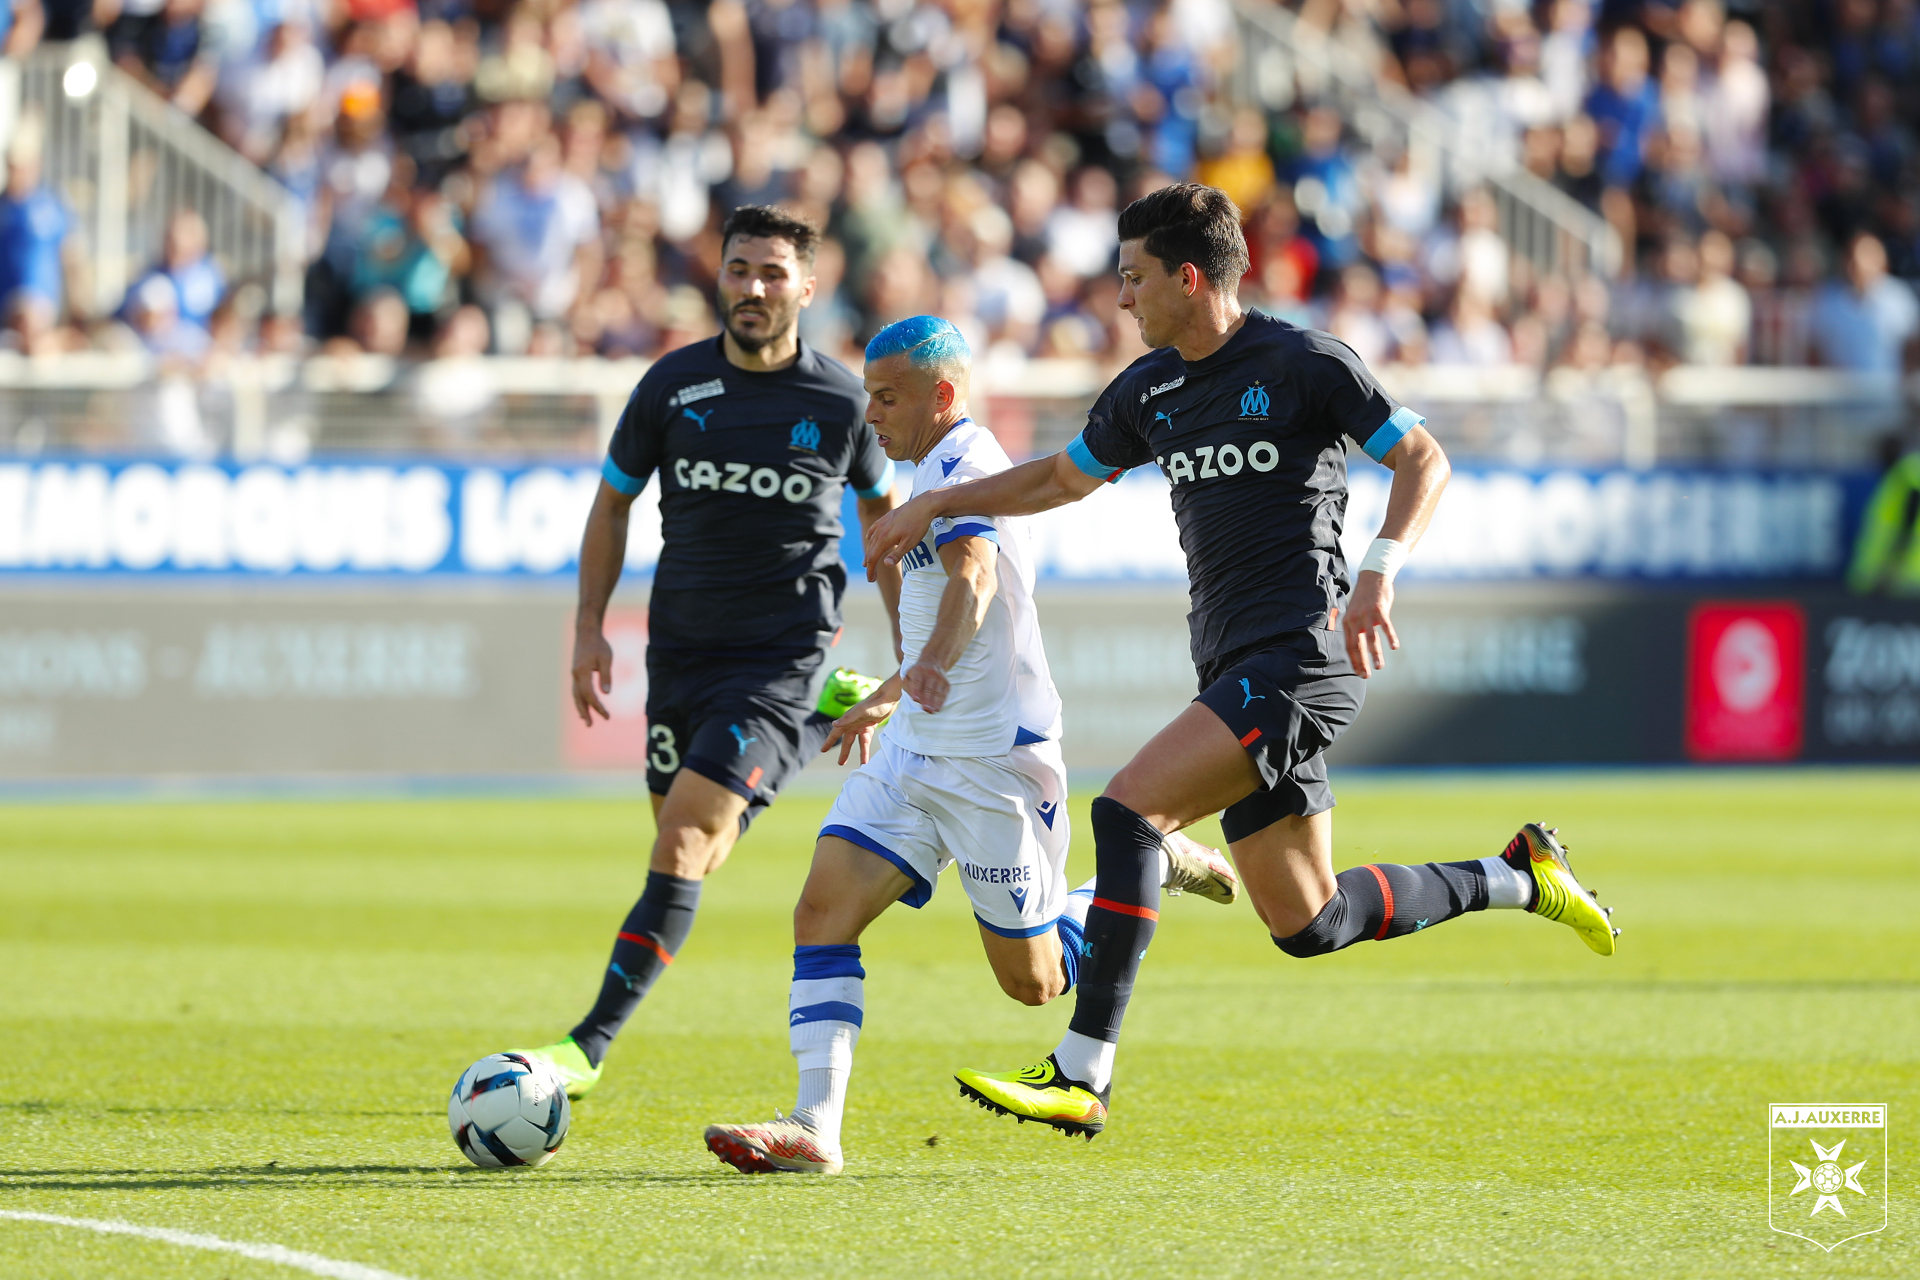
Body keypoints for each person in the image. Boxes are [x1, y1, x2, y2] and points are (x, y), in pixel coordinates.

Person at [865, 184, 1618, 1139]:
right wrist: (937, 503)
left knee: (1127, 808)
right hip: (1228, 663)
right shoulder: (1149, 389)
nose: (1123, 300)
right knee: (1311, 922)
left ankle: (1081, 1072)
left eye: (1135, 279)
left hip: (1301, 656)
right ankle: (1519, 874)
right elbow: (1061, 478)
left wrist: (1380, 572)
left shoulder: (1302, 362)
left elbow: (1423, 458)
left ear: (1190, 277)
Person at [701, 316, 1237, 1175]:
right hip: (919, 748)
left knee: (1034, 985)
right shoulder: (928, 469)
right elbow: (935, 614)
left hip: (993, 764)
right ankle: (814, 1126)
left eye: (886, 397)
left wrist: (935, 668)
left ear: (940, 396)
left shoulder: (966, 468)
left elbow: (974, 577)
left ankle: (1154, 861)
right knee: (822, 909)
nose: (869, 414)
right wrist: (894, 694)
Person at [512, 206, 903, 1098]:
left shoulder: (842, 401)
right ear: (718, 278)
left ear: (808, 286)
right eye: (738, 270)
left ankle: (588, 1046)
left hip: (782, 653)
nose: (753, 289)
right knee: (692, 840)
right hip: (683, 649)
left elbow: (883, 518)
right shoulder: (670, 386)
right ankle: (816, 726)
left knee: (686, 840)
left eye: (772, 273)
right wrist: (586, 628)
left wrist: (909, 648)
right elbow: (611, 504)